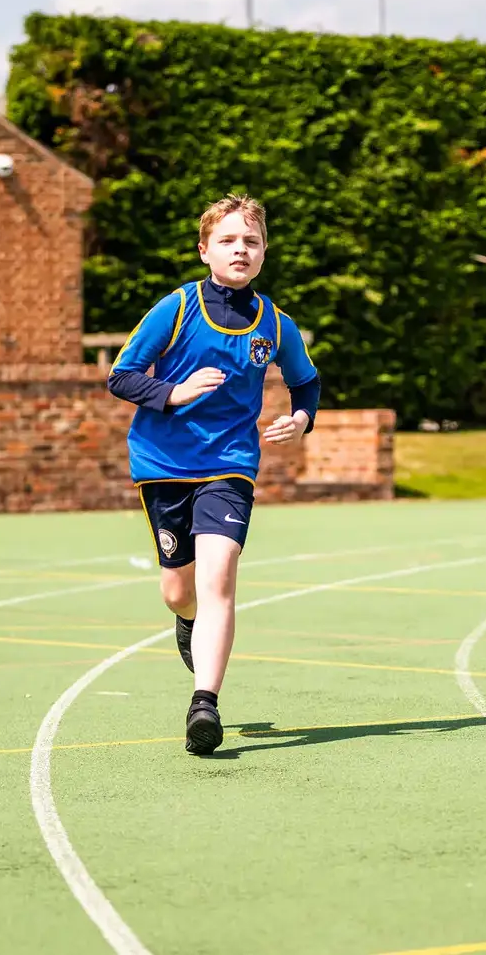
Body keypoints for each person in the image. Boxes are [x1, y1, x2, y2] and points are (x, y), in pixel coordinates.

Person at [107, 194, 320, 755]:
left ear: (264, 251)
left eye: (250, 241)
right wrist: (173, 392)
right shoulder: (175, 308)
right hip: (162, 464)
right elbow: (121, 376)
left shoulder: (275, 324)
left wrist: (301, 418)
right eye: (227, 240)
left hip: (230, 465)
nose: (239, 250)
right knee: (180, 590)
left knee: (219, 574)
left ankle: (205, 703)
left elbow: (306, 382)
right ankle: (189, 622)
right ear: (205, 250)